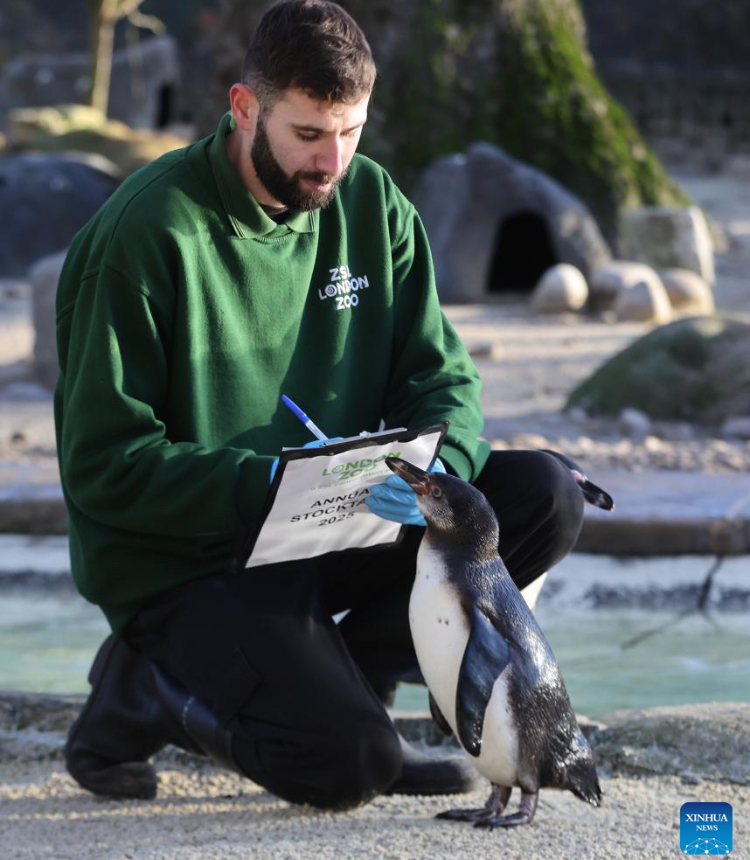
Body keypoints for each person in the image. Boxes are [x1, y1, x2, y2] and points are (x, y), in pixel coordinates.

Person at [55, 0, 585, 810]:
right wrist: (268, 486)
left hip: (330, 518)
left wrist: (439, 468)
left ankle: (345, 676)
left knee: (543, 497)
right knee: (347, 769)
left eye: (351, 132)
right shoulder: (144, 234)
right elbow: (102, 470)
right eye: (307, 134)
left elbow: (445, 382)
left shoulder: (370, 202)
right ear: (244, 108)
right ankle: (151, 687)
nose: (331, 162)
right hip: (189, 559)